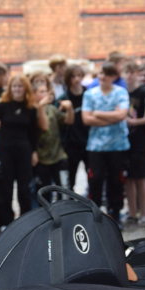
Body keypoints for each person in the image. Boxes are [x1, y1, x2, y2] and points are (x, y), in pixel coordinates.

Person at [0, 74, 39, 231]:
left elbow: (33, 132)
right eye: (14, 86)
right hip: (5, 150)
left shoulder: (30, 108)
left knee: (24, 189)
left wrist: (34, 152)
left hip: (24, 151)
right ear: (10, 88)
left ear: (25, 89)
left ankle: (26, 223)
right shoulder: (2, 106)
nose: (17, 89)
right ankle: (5, 223)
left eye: (20, 86)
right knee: (4, 188)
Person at [82, 62, 130, 224]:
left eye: (107, 74)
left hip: (117, 145)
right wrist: (112, 116)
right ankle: (94, 212)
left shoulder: (121, 92)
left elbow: (122, 115)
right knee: (96, 179)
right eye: (100, 73)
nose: (102, 77)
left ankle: (115, 213)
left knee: (116, 180)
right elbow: (86, 119)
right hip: (96, 145)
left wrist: (98, 113)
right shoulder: (90, 94)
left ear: (113, 77)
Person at [32, 78, 74, 201]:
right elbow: (44, 126)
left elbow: (69, 120)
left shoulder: (52, 109)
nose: (46, 94)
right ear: (34, 94)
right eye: (42, 91)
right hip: (41, 159)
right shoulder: (32, 111)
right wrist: (40, 106)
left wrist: (70, 108)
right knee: (44, 195)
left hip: (58, 156)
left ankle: (65, 217)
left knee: (64, 191)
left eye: (46, 91)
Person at [124, 62, 145, 225]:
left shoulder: (143, 92)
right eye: (126, 72)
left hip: (139, 140)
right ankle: (132, 212)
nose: (129, 76)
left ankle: (143, 214)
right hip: (124, 141)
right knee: (128, 179)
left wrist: (132, 122)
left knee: (141, 178)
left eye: (132, 72)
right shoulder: (120, 92)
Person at [59, 65, 90, 196]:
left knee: (93, 177)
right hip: (71, 143)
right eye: (73, 76)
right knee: (70, 179)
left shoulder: (89, 94)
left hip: (89, 141)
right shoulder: (64, 97)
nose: (77, 79)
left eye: (79, 76)